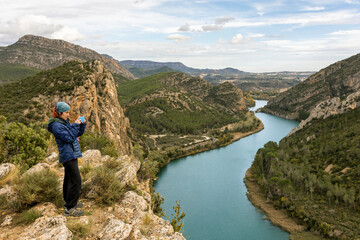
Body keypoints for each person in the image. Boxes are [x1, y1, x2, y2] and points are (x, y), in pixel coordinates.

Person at [47, 102, 86, 217]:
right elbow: (69, 137)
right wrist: (75, 125)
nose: (68, 114)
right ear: (59, 113)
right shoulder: (56, 126)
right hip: (67, 155)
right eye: (66, 112)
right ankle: (70, 208)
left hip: (72, 153)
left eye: (69, 112)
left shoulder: (63, 122)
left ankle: (68, 202)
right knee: (76, 181)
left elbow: (77, 133)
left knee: (69, 179)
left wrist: (82, 124)